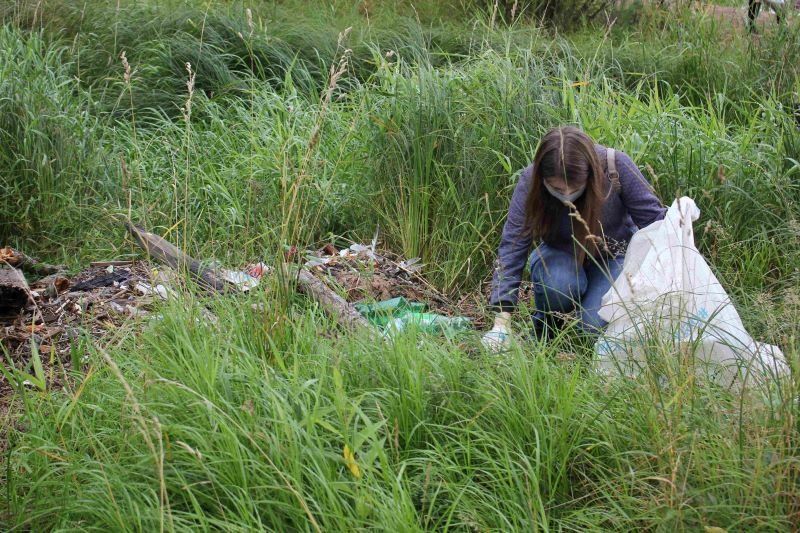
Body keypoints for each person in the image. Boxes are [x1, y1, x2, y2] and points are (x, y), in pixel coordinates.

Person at [482, 126, 666, 351]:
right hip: (560, 257)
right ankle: (547, 330)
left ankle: (583, 325)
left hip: (613, 257)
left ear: (590, 173)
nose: (567, 194)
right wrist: (501, 323)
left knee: (593, 325)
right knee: (560, 282)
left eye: (575, 187)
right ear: (544, 179)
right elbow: (512, 245)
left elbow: (656, 223)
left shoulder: (614, 167)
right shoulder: (531, 181)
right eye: (557, 188)